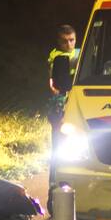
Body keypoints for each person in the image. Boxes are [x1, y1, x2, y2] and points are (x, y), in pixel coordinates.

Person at [47, 25, 80, 207]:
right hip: (60, 107)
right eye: (64, 40)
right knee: (59, 153)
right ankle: (54, 194)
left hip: (78, 105)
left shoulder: (79, 52)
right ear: (58, 42)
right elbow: (57, 83)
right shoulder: (57, 56)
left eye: (72, 40)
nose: (69, 44)